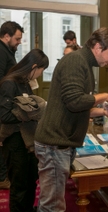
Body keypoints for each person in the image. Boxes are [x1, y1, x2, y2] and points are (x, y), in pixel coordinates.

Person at [34, 27, 108, 212]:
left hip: (60, 143)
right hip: (54, 144)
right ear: (98, 47)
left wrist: (104, 113)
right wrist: (105, 96)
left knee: (51, 203)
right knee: (52, 207)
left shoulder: (84, 63)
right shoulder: (76, 61)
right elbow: (74, 101)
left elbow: (80, 107)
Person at [0, 49, 49, 212]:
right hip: (14, 142)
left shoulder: (24, 82)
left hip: (27, 141)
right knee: (19, 187)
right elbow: (4, 116)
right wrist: (29, 114)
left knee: (30, 182)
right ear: (34, 66)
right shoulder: (9, 83)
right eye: (41, 71)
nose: (40, 75)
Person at [0, 20, 24, 189]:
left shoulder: (7, 50)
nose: (19, 42)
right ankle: (2, 178)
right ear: (6, 36)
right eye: (17, 38)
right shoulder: (1, 52)